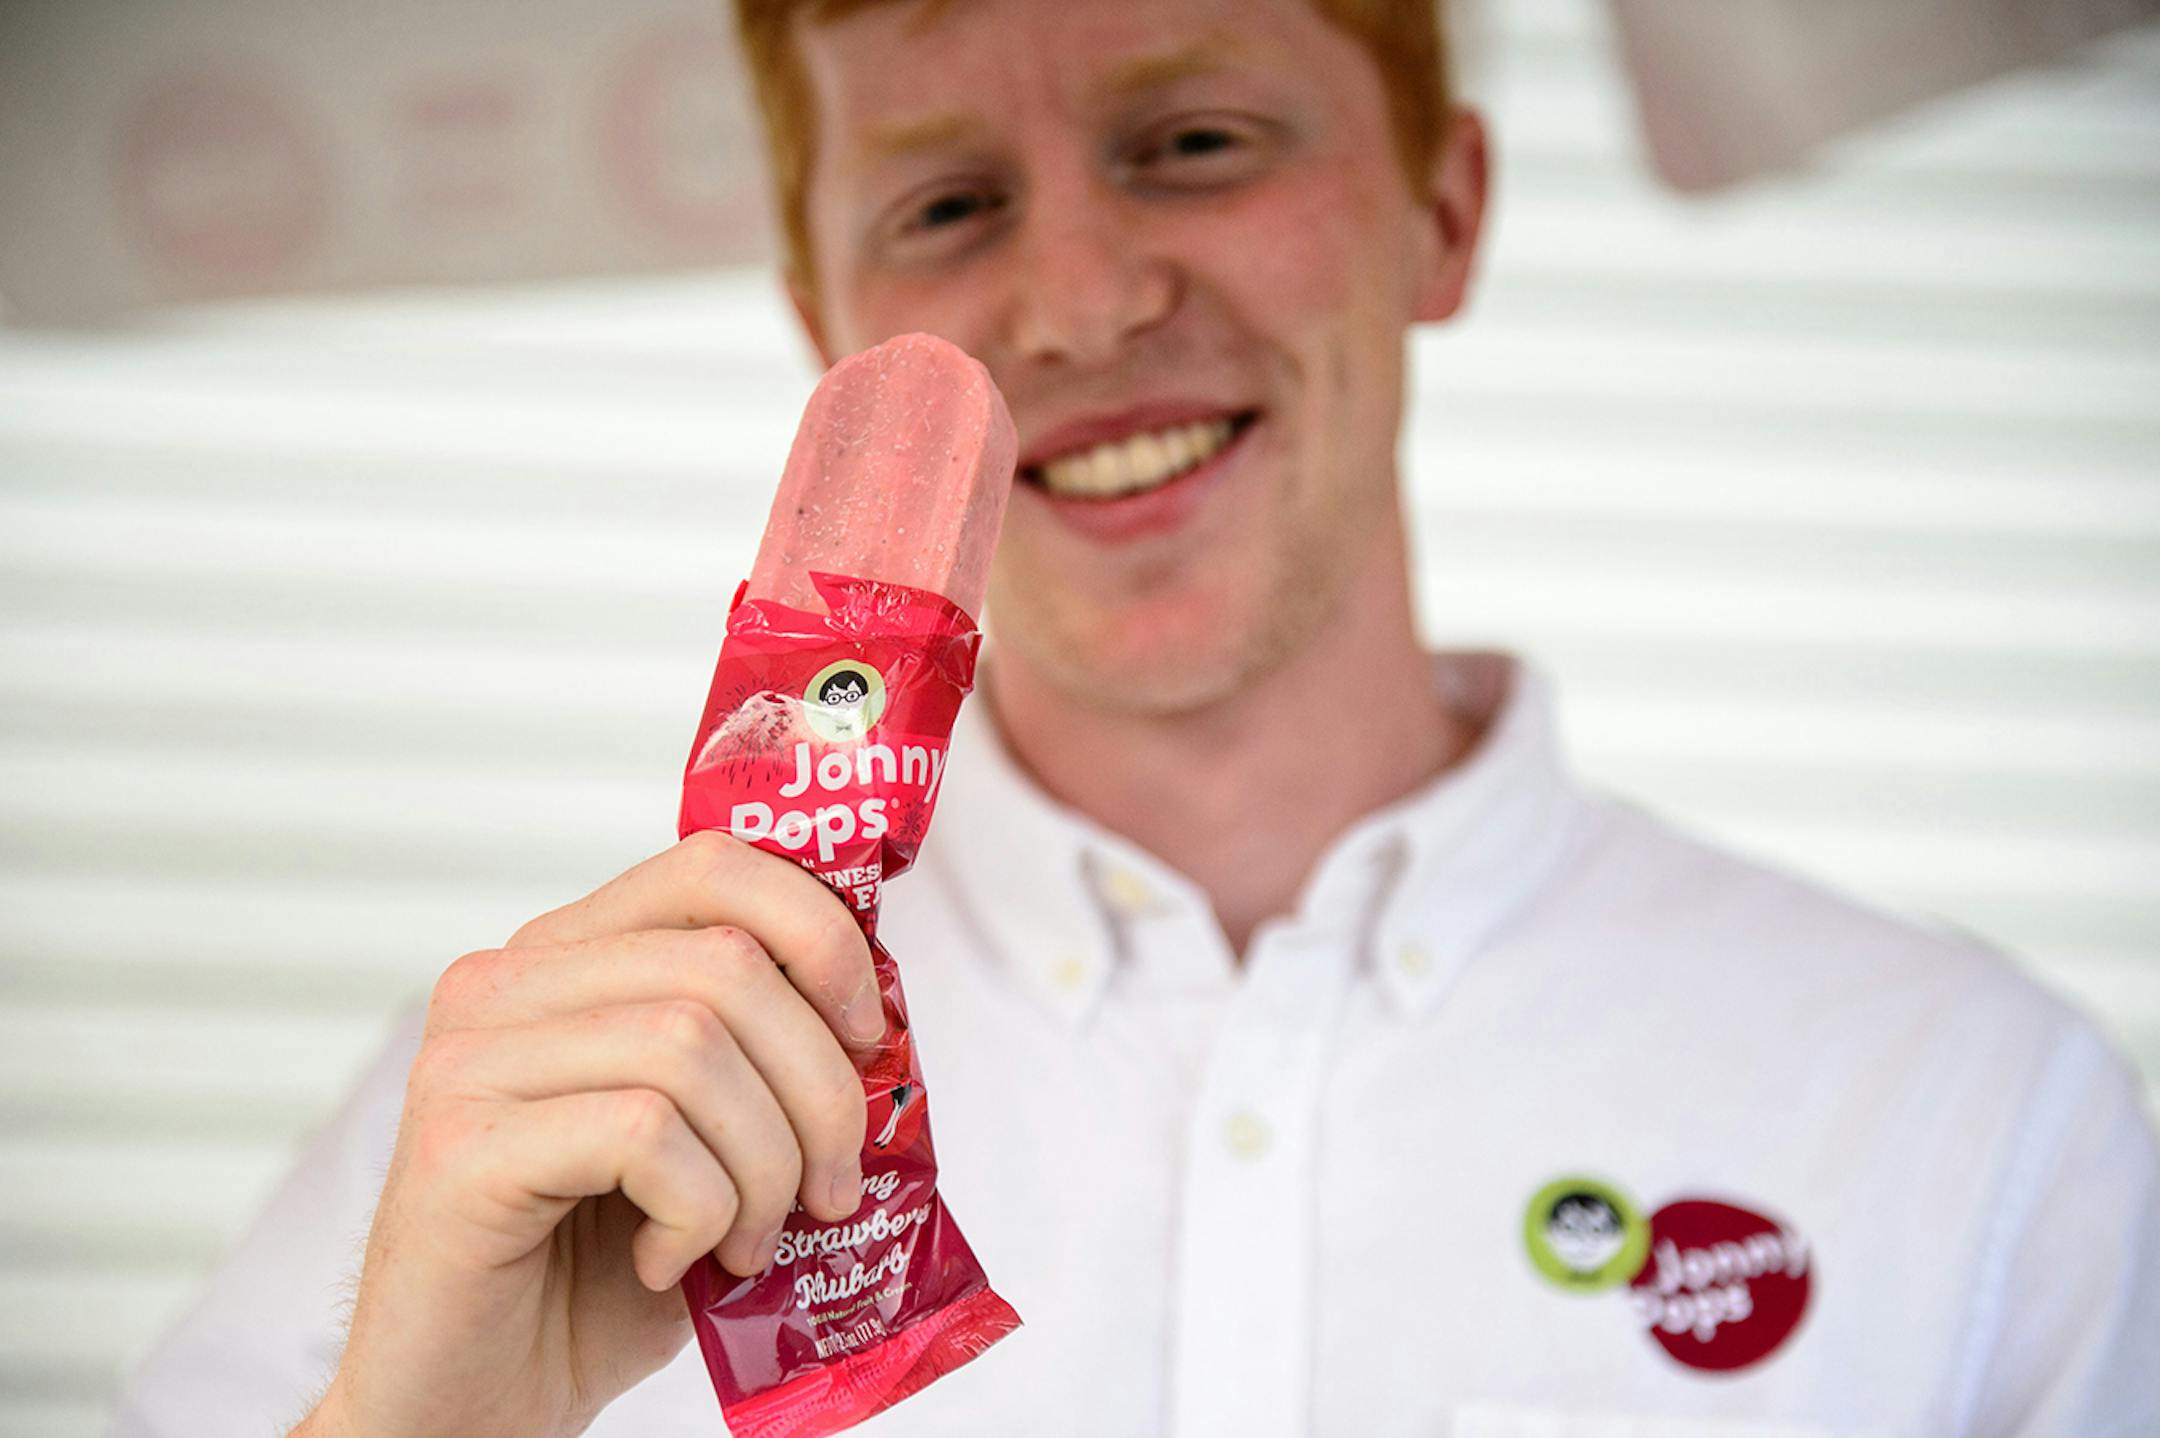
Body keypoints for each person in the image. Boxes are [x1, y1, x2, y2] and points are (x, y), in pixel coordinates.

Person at [113, 0, 2160, 1434]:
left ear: (1443, 211)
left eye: (1193, 145)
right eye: (946, 205)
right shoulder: (531, 1129)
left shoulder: (1977, 1122)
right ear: (828, 325)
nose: (1083, 302)